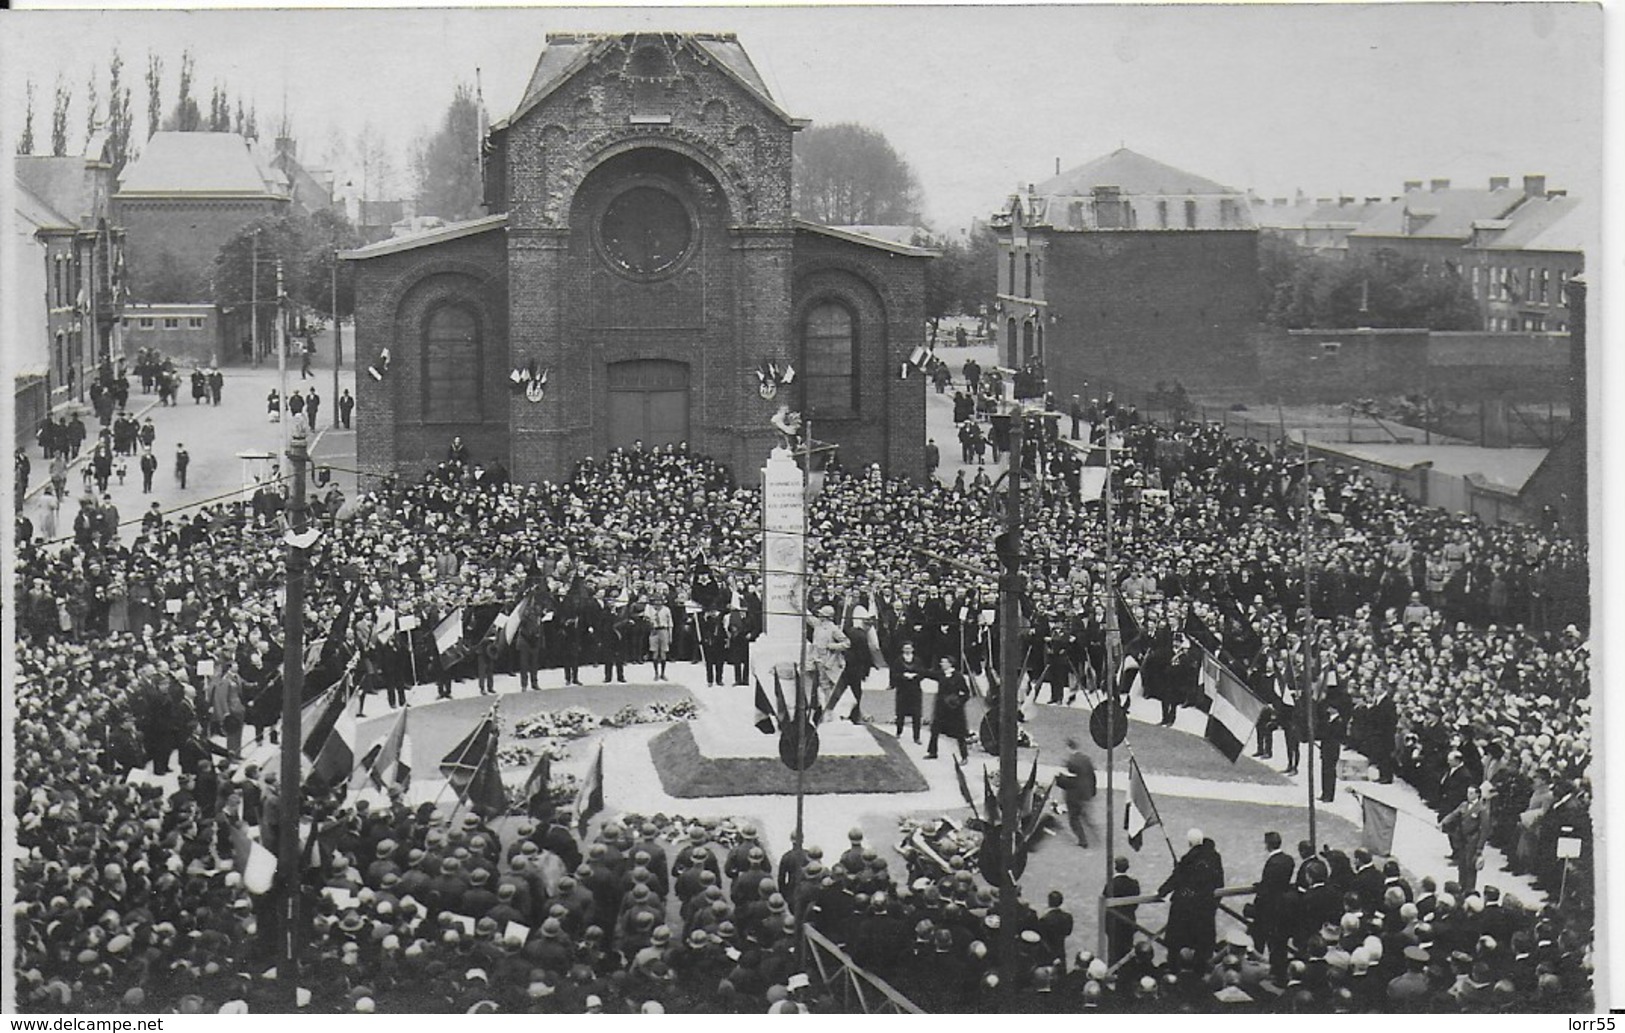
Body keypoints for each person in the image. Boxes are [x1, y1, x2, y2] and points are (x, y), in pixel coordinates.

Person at [1252, 830, 1295, 980]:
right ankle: (1278, 973)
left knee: (1261, 940)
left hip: (1268, 910)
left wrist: (1259, 889)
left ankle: (1261, 972)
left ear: (1267, 845)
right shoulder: (1288, 860)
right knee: (1278, 945)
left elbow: (1268, 888)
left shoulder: (1272, 863)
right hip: (1282, 907)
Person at [1440, 783, 1493, 892]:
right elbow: (1453, 815)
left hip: (1473, 841)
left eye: (1471, 793)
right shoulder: (1464, 805)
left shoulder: (1482, 809)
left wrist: (1479, 848)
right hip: (1462, 839)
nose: (1468, 795)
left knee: (1470, 867)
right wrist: (1443, 822)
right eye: (1468, 792)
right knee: (1462, 865)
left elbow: (1484, 830)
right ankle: (1461, 887)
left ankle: (1469, 890)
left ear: (1477, 795)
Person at [925, 654, 971, 761]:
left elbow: (966, 693)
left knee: (959, 733)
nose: (941, 664)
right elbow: (928, 674)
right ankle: (932, 752)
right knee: (935, 729)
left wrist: (958, 701)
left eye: (944, 662)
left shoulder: (959, 676)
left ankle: (964, 756)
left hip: (955, 709)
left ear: (950, 664)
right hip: (941, 707)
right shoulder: (941, 675)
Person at [1058, 738, 1098, 848]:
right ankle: (1092, 830)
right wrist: (1093, 790)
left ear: (1068, 748)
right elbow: (1092, 776)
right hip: (1086, 793)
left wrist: (1059, 779)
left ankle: (1083, 841)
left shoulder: (1071, 762)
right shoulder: (1086, 759)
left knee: (1074, 818)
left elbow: (1069, 782)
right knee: (1083, 813)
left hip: (1074, 795)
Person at [1104, 856, 1140, 966]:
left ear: (1115, 867)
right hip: (1129, 920)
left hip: (1113, 922)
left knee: (1113, 950)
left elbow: (1105, 900)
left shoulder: (1111, 884)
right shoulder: (1133, 883)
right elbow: (1136, 902)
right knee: (1128, 948)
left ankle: (1113, 971)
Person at [890, 640, 927, 743]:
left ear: (913, 649)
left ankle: (916, 737)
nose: (907, 650)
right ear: (902, 649)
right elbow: (894, 674)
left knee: (916, 714)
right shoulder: (898, 661)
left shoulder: (918, 661)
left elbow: (923, 672)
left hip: (915, 690)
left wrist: (916, 676)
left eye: (909, 648)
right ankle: (898, 732)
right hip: (902, 690)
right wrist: (903, 676)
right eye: (905, 648)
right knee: (900, 713)